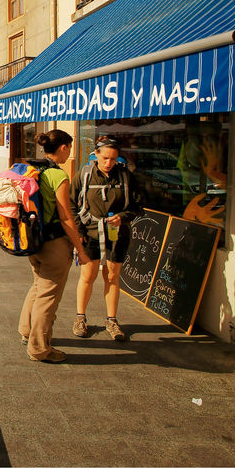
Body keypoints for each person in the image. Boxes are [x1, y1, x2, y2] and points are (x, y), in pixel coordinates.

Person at [18, 130, 93, 363]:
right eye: (69, 148)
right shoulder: (58, 176)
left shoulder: (34, 170)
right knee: (48, 295)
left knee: (38, 286)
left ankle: (26, 331)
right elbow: (66, 216)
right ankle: (40, 348)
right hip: (54, 243)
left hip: (34, 241)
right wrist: (80, 249)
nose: (70, 153)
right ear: (63, 148)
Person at [71, 135, 142, 341]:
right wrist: (79, 232)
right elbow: (71, 204)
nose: (109, 163)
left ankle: (111, 320)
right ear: (96, 155)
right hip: (90, 233)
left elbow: (137, 206)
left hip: (117, 234)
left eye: (113, 159)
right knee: (88, 275)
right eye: (105, 158)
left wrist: (124, 217)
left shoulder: (126, 177)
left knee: (112, 276)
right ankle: (80, 317)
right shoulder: (84, 175)